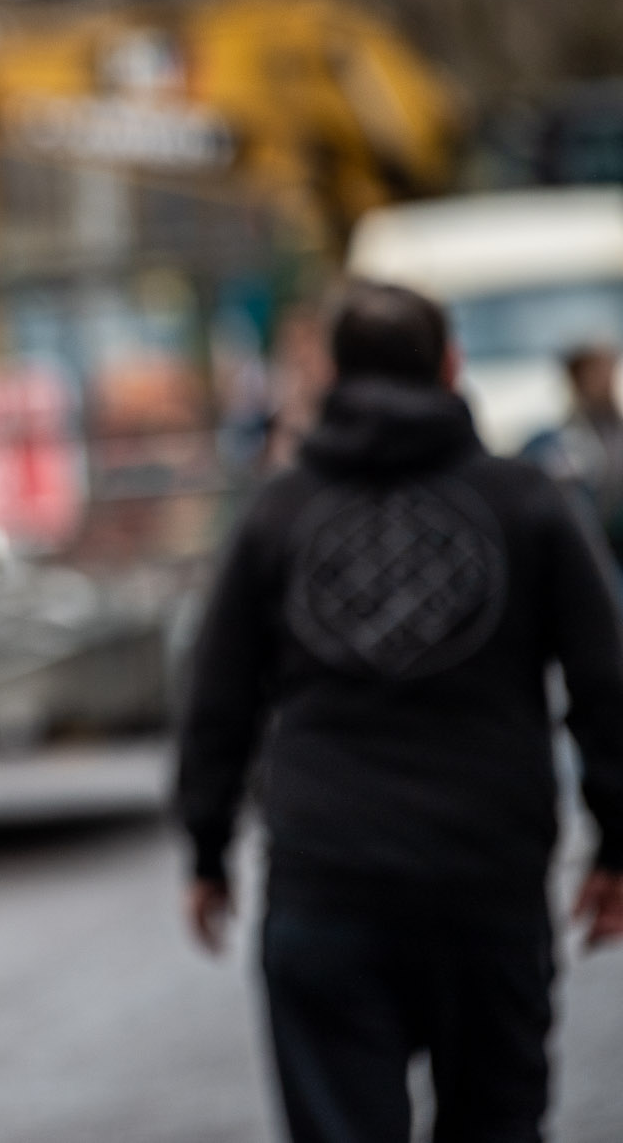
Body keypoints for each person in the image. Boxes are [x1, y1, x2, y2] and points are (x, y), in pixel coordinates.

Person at [178, 280, 623, 1143]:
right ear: (452, 365)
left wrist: (207, 846)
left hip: (326, 876)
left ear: (330, 375)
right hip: (488, 877)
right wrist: (617, 839)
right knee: (497, 1121)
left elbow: (218, 694)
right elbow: (605, 683)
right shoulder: (528, 501)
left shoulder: (279, 511)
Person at [521, 342, 623, 570]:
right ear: (577, 379)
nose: (605, 380)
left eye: (608, 370)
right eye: (596, 372)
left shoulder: (615, 429)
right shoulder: (558, 441)